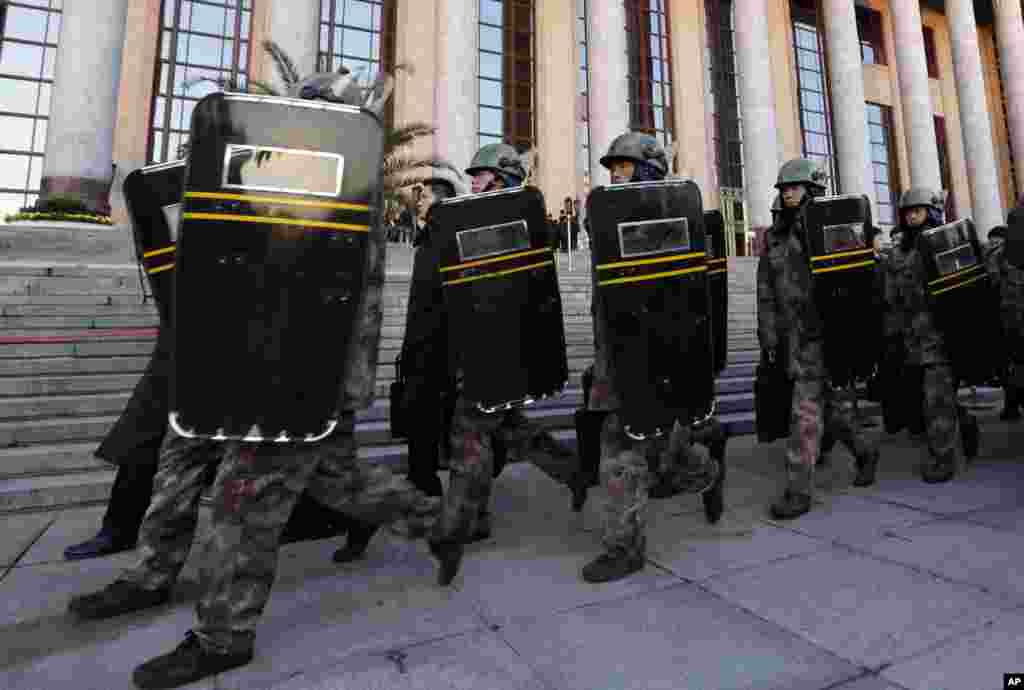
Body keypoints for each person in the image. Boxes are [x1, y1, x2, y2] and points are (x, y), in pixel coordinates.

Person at [66, 80, 467, 690]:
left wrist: (337, 389)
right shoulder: (263, 167)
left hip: (294, 370)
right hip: (220, 358)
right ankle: (151, 575)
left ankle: (223, 635)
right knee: (198, 468)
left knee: (243, 500)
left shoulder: (345, 186)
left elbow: (344, 301)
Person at [578, 132, 722, 584]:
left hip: (655, 354)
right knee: (645, 450)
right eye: (612, 167)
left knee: (623, 453)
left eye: (623, 166)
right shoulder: (607, 217)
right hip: (614, 352)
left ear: (647, 170)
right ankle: (704, 467)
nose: (614, 174)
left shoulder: (670, 218)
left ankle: (624, 547)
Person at [429, 142, 581, 544]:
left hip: (499, 349)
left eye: (479, 175)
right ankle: (573, 472)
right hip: (480, 345)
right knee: (510, 426)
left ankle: (467, 518)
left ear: (501, 178)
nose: (473, 181)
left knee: (470, 434)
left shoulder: (517, 225)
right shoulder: (469, 220)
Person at [757, 158, 880, 520]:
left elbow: (852, 282)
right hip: (792, 337)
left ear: (812, 189)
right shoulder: (775, 237)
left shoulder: (830, 227)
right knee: (831, 407)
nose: (788, 192)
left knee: (804, 413)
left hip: (825, 334)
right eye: (784, 188)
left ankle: (798, 490)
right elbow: (766, 290)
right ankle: (864, 448)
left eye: (795, 187)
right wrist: (768, 333)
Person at [878, 187, 978, 484]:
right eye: (908, 212)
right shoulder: (897, 254)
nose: (911, 216)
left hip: (941, 334)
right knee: (930, 397)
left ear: (930, 213)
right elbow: (890, 296)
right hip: (910, 337)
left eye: (917, 211)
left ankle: (943, 458)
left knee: (935, 399)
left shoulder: (944, 243)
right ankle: (965, 422)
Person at [986, 210, 1024, 422]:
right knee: (1012, 364)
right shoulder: (998, 256)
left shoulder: (999, 255)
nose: (994, 245)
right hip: (1006, 318)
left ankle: (1012, 405)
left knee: (1013, 364)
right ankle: (1012, 405)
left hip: (1008, 318)